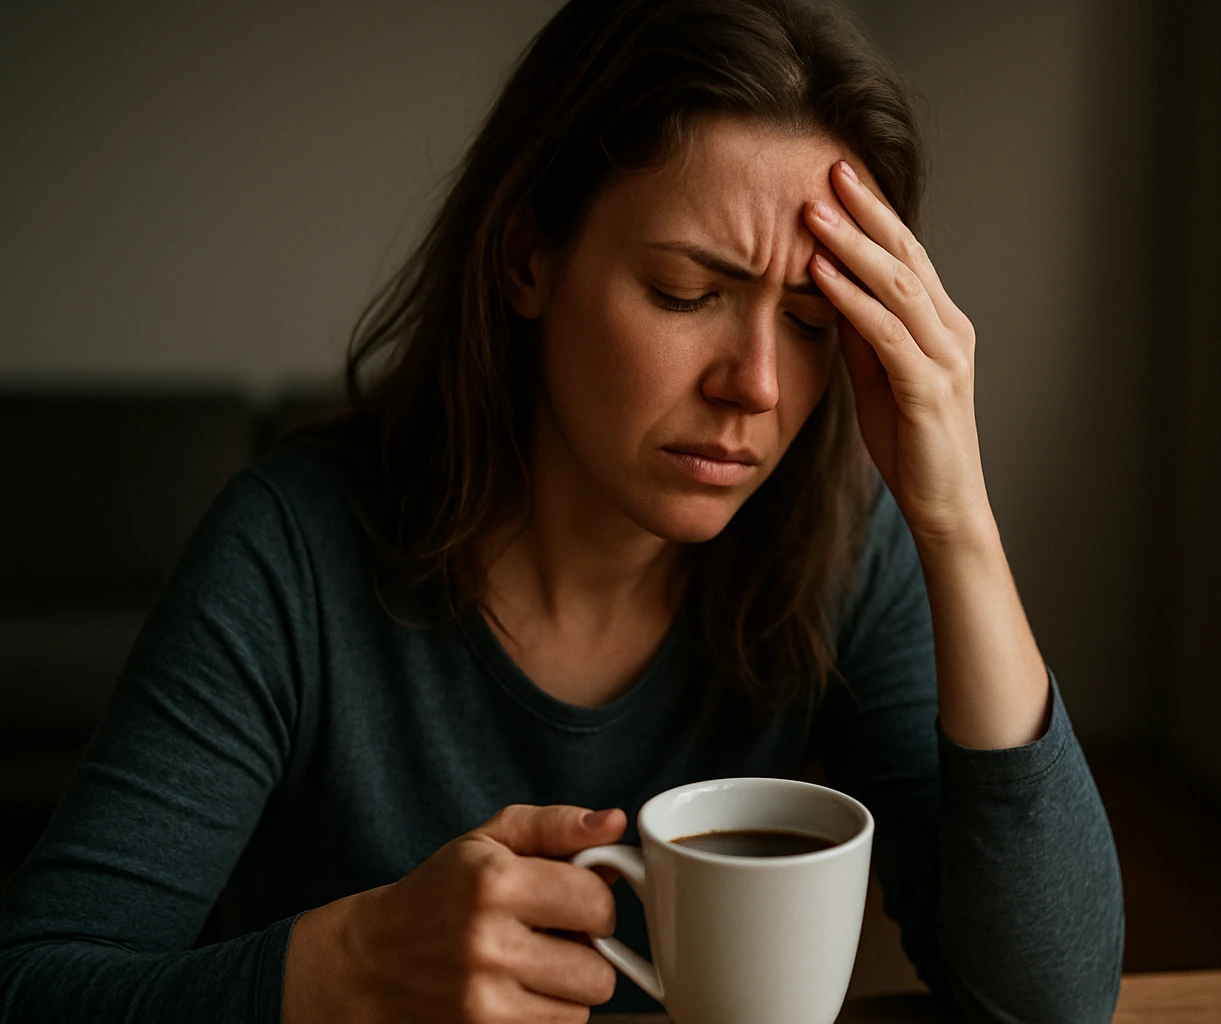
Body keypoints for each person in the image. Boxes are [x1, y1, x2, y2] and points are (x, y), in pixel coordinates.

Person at [0, 0, 1124, 1020]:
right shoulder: (291, 552)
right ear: (527, 258)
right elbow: (34, 978)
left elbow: (1051, 997)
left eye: (811, 321)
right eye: (690, 294)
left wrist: (956, 519)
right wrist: (340, 970)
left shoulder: (836, 549)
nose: (759, 386)